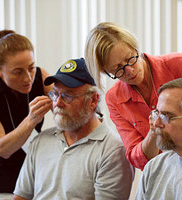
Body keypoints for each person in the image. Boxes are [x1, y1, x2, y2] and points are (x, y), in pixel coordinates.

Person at [84, 22, 182, 170]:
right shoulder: (115, 99)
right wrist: (154, 132)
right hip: (166, 175)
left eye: (130, 58)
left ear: (135, 48)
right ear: (106, 72)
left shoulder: (180, 66)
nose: (129, 70)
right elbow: (137, 158)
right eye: (118, 69)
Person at [12, 58, 134, 200]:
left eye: (67, 96)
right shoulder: (40, 141)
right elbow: (21, 197)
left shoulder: (113, 150)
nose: (57, 103)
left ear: (93, 100)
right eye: (55, 94)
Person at [0, 30, 52, 199]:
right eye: (18, 71)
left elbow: (66, 105)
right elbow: (2, 148)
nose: (28, 78)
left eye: (31, 68)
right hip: (4, 182)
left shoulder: (41, 75)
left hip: (39, 176)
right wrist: (31, 119)